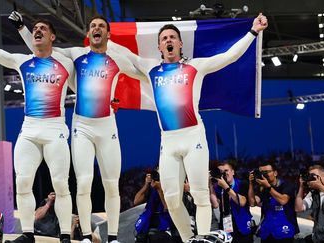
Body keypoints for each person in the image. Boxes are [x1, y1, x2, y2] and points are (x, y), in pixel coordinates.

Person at [108, 13, 268, 242]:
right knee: (172, 199)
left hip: (194, 137)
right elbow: (126, 56)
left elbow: (229, 56)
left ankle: (202, 237)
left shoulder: (195, 67)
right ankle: (187, 239)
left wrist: (253, 32)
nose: (169, 40)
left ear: (180, 44)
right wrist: (105, 38)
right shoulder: (151, 69)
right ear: (159, 46)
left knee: (200, 193)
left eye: (173, 37)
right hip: (168, 141)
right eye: (164, 38)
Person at [11, 12, 144, 243]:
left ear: (107, 34)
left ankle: (112, 237)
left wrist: (170, 69)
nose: (96, 28)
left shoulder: (117, 60)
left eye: (101, 26)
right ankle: (84, 235)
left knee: (111, 185)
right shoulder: (76, 55)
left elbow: (143, 74)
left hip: (107, 127)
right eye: (92, 25)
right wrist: (23, 28)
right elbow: (41, 49)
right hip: (81, 126)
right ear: (88, 33)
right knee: (83, 183)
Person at [0, 11, 74, 243]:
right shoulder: (24, 62)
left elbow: (87, 87)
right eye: (35, 29)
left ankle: (64, 235)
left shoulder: (66, 63)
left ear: (53, 37)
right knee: (22, 182)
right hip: (30, 128)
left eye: (43, 28)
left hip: (55, 129)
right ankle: (29, 234)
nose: (38, 31)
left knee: (61, 183)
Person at [248, 161, 298, 243]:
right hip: (267, 232)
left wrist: (268, 187)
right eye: (261, 172)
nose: (263, 175)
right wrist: (251, 184)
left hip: (285, 232)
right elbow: (252, 203)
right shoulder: (262, 188)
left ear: (275, 173)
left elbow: (283, 200)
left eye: (266, 172)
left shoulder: (287, 185)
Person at [209, 162, 254, 243]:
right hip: (226, 229)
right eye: (221, 172)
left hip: (243, 227)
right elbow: (215, 204)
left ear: (233, 172)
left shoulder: (242, 184)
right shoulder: (218, 188)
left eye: (226, 170)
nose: (224, 173)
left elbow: (242, 202)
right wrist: (210, 184)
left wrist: (226, 186)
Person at [133, 169, 174, 243]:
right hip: (150, 218)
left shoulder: (168, 187)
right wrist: (146, 185)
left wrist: (159, 189)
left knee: (157, 239)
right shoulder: (151, 187)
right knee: (140, 238)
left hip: (163, 219)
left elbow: (166, 207)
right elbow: (136, 201)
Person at [295, 164, 324, 243]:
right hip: (318, 237)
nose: (312, 178)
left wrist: (320, 186)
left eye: (314, 176)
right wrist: (301, 187)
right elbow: (298, 208)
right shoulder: (313, 193)